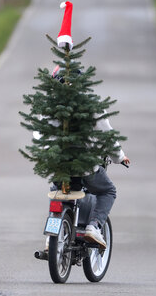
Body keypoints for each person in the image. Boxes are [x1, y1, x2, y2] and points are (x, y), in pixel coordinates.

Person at [46, 67, 130, 249]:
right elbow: (107, 135)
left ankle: (51, 235)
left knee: (57, 192)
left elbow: (42, 135)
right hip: (84, 166)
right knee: (108, 191)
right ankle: (94, 226)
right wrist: (120, 157)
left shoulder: (49, 107)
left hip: (59, 166)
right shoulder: (92, 106)